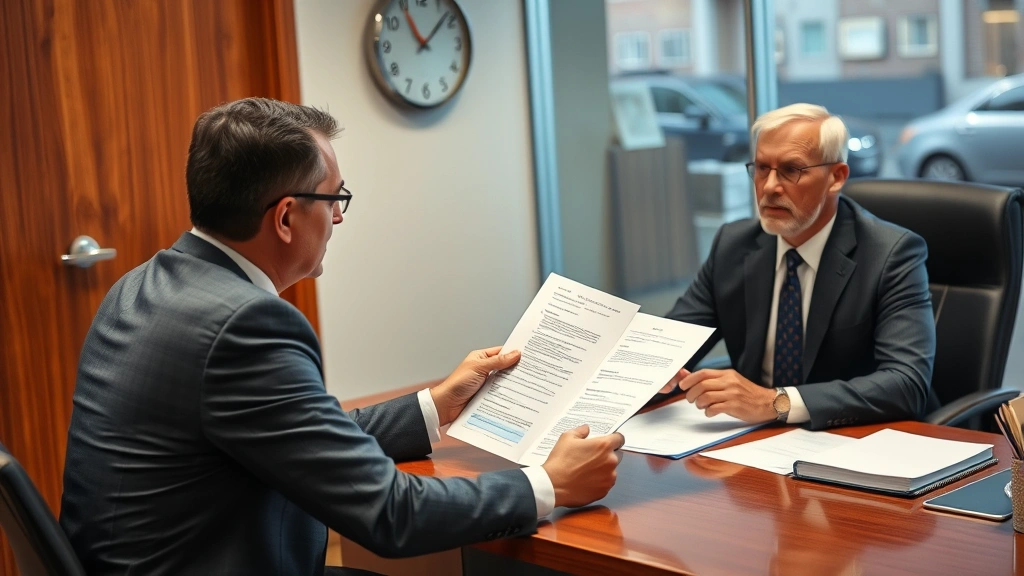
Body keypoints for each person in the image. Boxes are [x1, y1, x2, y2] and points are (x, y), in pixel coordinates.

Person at [59, 98, 625, 576]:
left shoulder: (140, 287)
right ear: (285, 218)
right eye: (335, 200)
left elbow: (299, 437)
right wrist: (548, 484)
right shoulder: (245, 326)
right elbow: (391, 515)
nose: (339, 219)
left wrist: (435, 405)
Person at [660, 103, 936, 430]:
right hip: (748, 439)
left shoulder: (890, 254)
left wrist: (776, 402)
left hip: (851, 438)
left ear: (836, 177)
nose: (770, 186)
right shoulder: (733, 246)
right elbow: (666, 345)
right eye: (762, 168)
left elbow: (906, 383)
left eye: (791, 170)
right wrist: (652, 369)